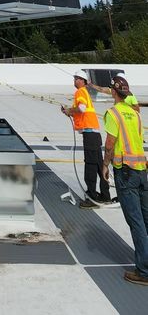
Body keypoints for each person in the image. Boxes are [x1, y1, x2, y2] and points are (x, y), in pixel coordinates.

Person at [102, 76, 148, 285]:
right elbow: (139, 141)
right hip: (142, 171)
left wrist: (105, 165)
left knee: (136, 222)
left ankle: (144, 271)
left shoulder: (113, 113)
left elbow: (110, 143)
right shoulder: (136, 114)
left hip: (126, 173)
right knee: (146, 221)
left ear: (113, 92)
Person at [61, 68, 111, 208]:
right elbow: (81, 112)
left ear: (82, 81)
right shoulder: (84, 92)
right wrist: (69, 112)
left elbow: (81, 109)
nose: (74, 80)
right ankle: (105, 196)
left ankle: (91, 197)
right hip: (93, 133)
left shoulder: (80, 92)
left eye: (77, 78)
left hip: (90, 134)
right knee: (98, 165)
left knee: (90, 166)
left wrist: (70, 110)